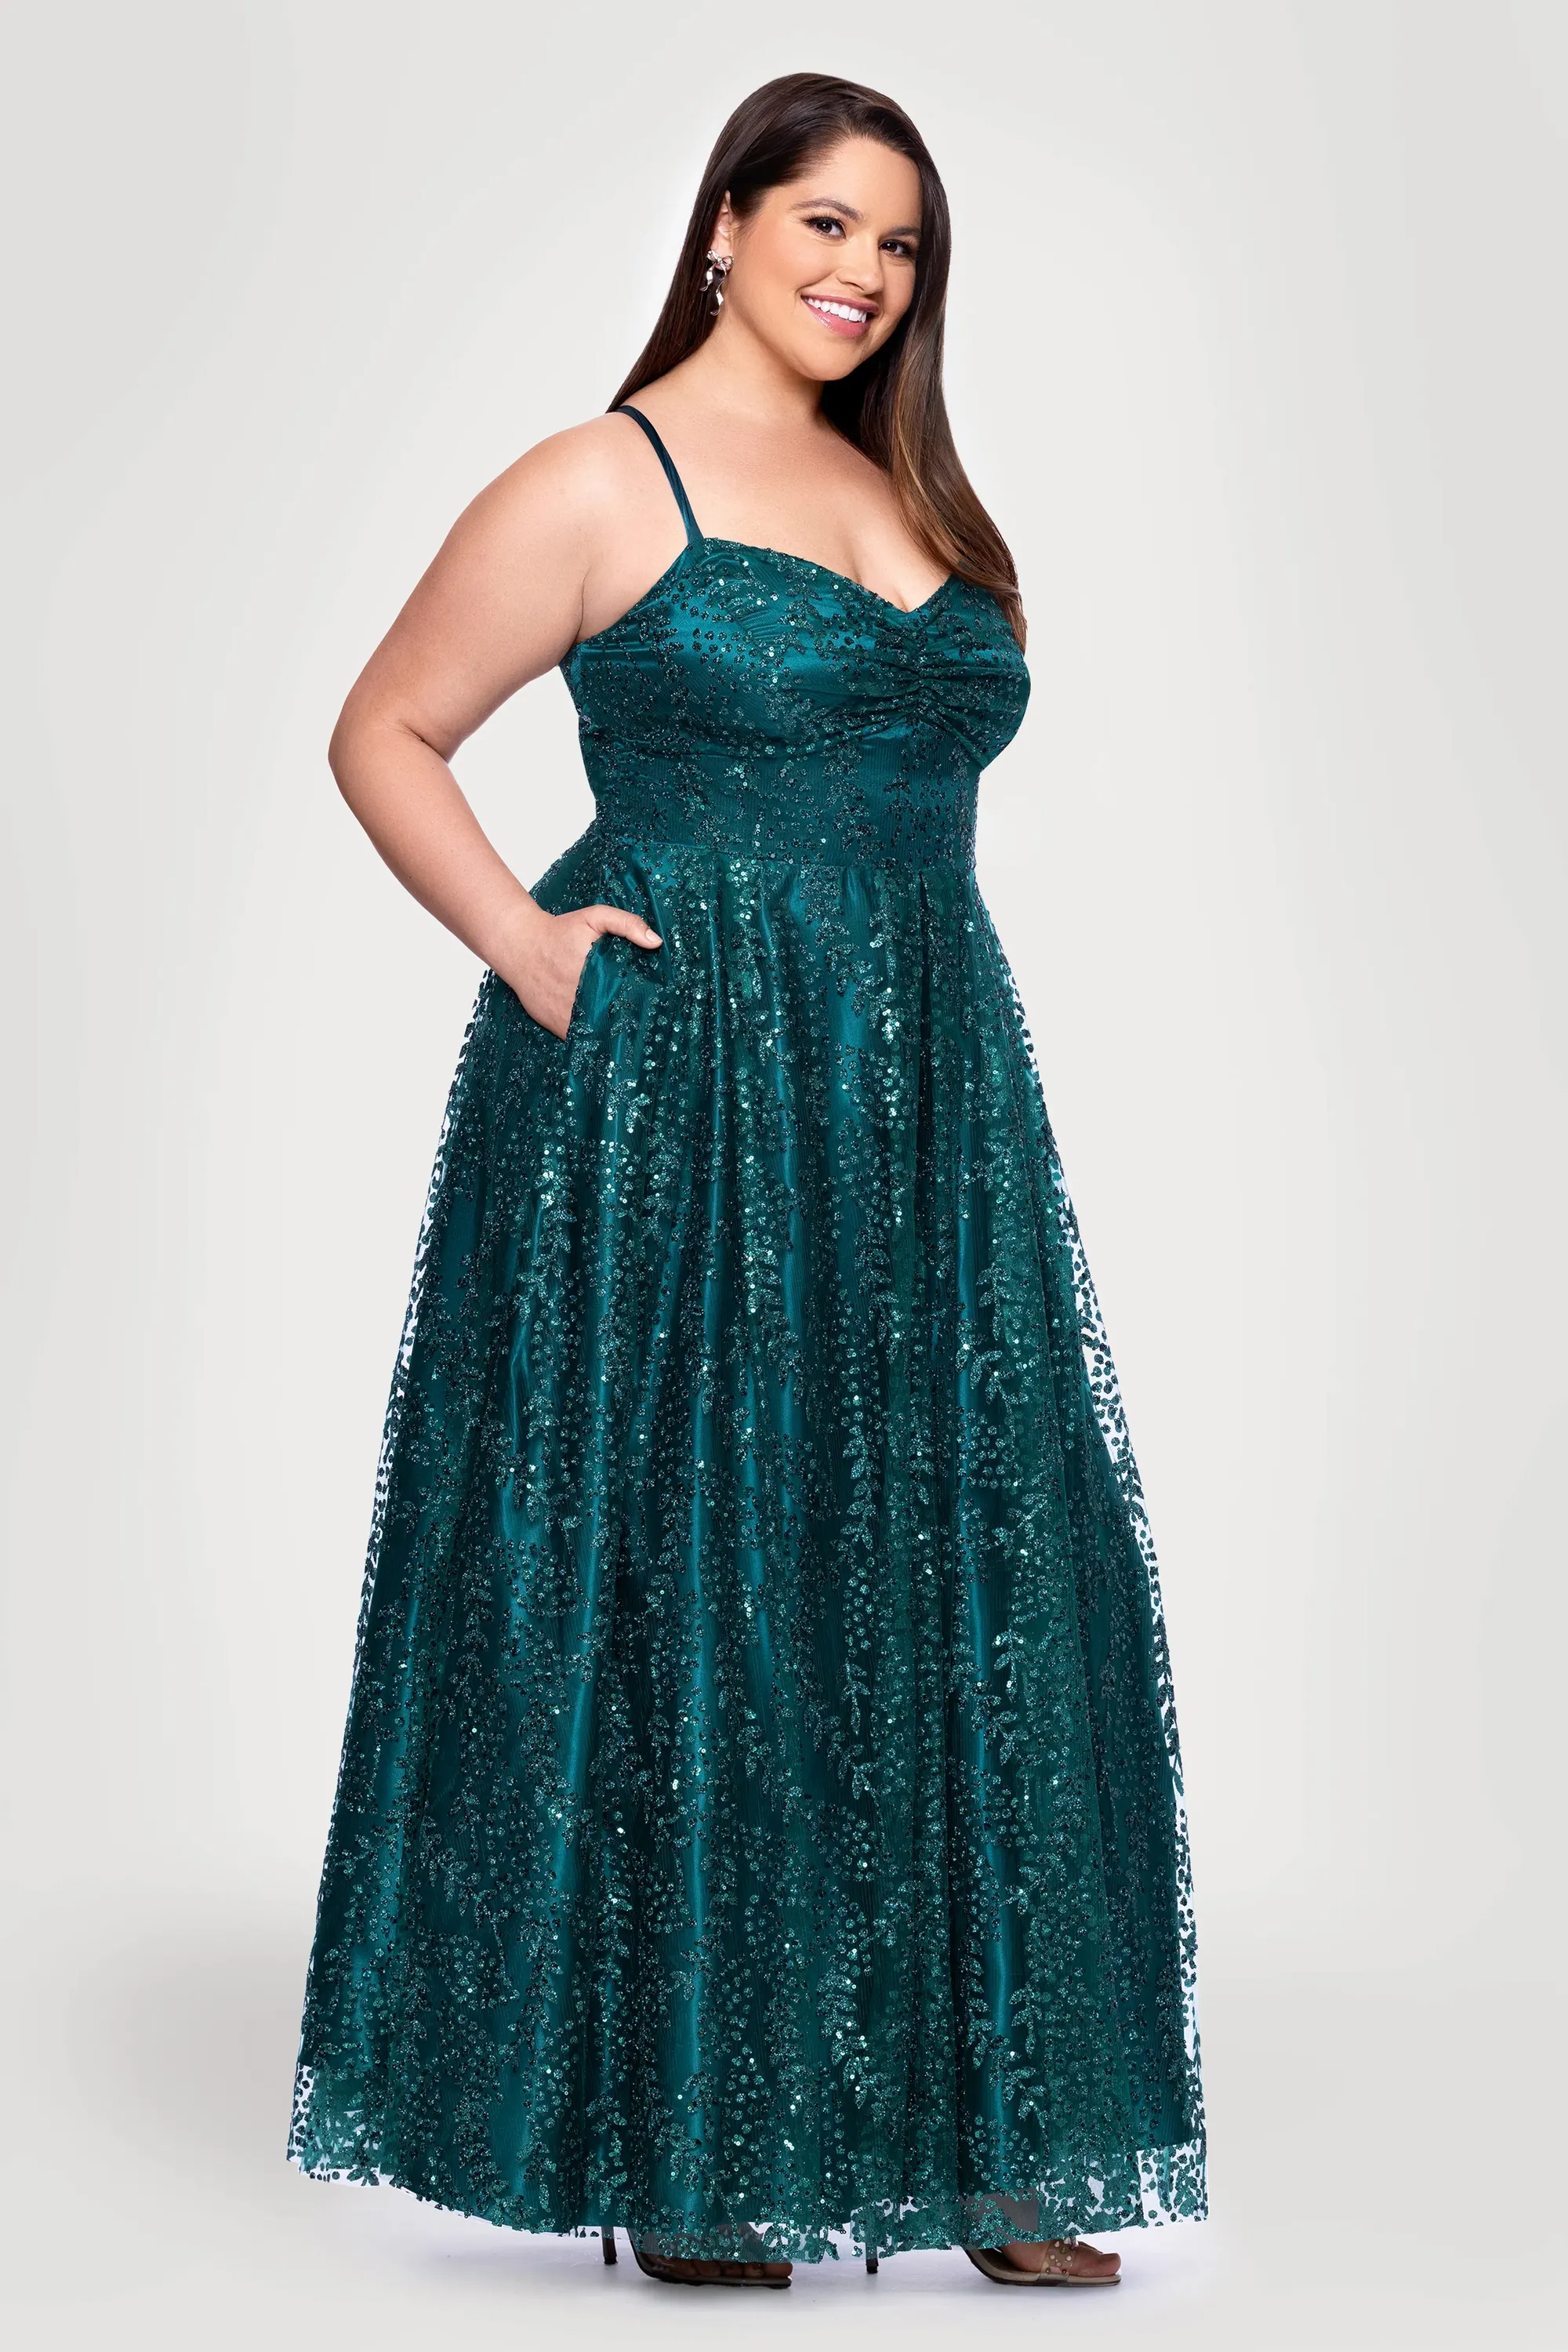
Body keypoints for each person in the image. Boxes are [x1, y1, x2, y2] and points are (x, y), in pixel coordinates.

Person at [288, 70, 1207, 2289]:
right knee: (712, 1567)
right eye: (823, 221)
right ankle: (699, 2137)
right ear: (722, 224)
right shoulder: (604, 478)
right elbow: (382, 729)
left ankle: (994, 2141)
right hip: (682, 1096)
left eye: (899, 242)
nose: (861, 270)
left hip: (928, 1096)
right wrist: (527, 945)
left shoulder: (917, 488)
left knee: (958, 1560)